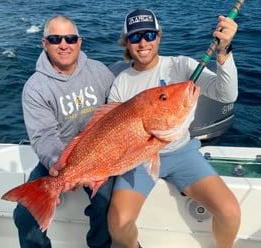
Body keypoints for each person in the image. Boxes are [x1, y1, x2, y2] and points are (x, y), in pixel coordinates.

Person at [107, 9, 241, 248]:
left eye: (149, 34)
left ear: (159, 36)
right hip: (139, 158)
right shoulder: (121, 84)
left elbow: (226, 94)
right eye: (135, 37)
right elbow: (113, 134)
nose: (143, 42)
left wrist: (223, 51)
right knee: (118, 224)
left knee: (230, 212)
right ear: (126, 43)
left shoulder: (182, 66)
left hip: (182, 153)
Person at [13, 15, 115, 248]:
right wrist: (64, 167)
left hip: (100, 154)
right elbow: (44, 137)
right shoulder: (35, 88)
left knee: (106, 200)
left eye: (69, 38)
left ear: (79, 42)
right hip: (59, 160)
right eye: (55, 38)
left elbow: (116, 115)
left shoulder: (100, 71)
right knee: (24, 215)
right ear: (44, 44)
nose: (63, 44)